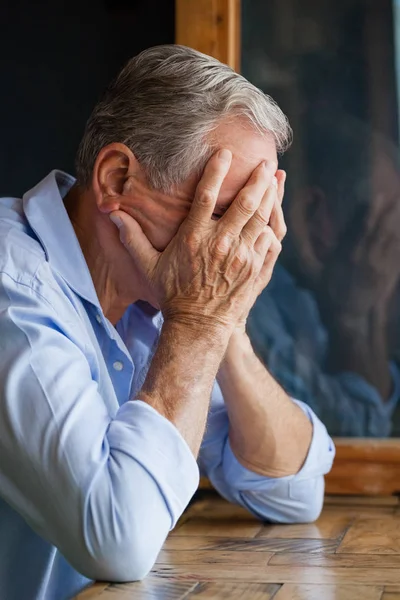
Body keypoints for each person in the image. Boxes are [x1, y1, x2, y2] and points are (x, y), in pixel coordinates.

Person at [0, 45, 334, 600]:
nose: (239, 247)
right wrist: (202, 318)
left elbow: (292, 492)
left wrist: (219, 320)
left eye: (255, 217)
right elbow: (118, 541)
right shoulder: (14, 290)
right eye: (225, 212)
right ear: (116, 179)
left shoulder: (162, 300)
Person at [248, 116, 400, 436]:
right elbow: (353, 435)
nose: (387, 252)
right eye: (380, 228)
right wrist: (355, 318)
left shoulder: (310, 304)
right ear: (313, 215)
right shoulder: (255, 303)